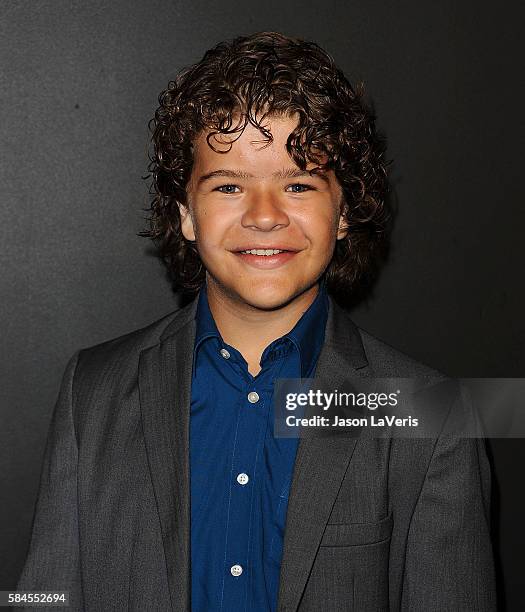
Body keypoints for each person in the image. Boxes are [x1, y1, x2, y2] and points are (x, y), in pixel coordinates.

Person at [18, 31, 496, 611]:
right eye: (228, 185)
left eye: (298, 184)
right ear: (186, 215)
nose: (265, 216)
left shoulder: (431, 413)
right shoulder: (90, 391)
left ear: (343, 213)